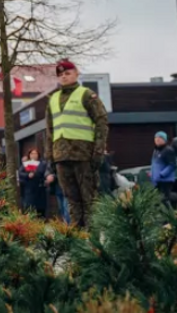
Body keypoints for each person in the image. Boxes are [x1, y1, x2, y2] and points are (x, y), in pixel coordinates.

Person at [45, 59, 108, 228]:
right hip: (61, 156)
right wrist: (50, 156)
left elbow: (101, 122)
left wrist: (98, 151)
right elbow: (49, 130)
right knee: (71, 199)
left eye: (67, 73)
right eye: (60, 74)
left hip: (83, 154)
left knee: (89, 198)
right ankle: (77, 234)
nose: (63, 77)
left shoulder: (86, 95)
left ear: (76, 74)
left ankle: (92, 235)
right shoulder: (52, 99)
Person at [18, 148, 48, 218]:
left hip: (40, 188)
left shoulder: (43, 163)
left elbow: (44, 172)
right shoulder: (26, 164)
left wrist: (36, 173)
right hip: (29, 189)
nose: (33, 155)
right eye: (32, 154)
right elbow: (20, 173)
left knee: (40, 209)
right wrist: (27, 175)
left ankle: (41, 221)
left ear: (38, 155)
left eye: (35, 153)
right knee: (29, 207)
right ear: (29, 155)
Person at [151, 132, 177, 207]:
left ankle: (171, 210)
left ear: (164, 140)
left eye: (159, 138)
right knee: (158, 200)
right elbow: (155, 165)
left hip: (165, 180)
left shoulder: (168, 150)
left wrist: (162, 174)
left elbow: (173, 165)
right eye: (156, 138)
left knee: (165, 199)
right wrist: (152, 174)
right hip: (157, 180)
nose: (157, 140)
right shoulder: (156, 151)